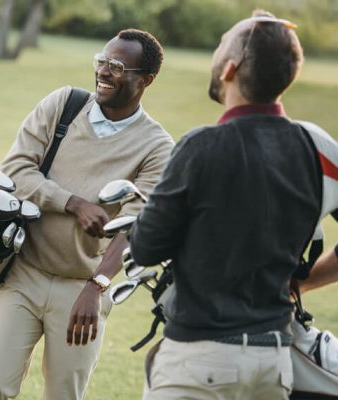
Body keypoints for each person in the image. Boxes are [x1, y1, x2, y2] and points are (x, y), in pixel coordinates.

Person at [0, 29, 174, 400]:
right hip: (23, 274)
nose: (104, 72)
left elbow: (136, 226)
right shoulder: (63, 105)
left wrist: (97, 287)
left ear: (145, 80)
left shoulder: (157, 146)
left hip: (83, 287)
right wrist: (74, 203)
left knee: (64, 395)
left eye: (117, 66)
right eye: (101, 61)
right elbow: (15, 170)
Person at [129, 10, 321, 400]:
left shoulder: (201, 147)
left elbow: (146, 247)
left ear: (230, 68)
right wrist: (303, 279)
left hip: (201, 361)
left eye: (220, 46)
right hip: (274, 366)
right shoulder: (311, 149)